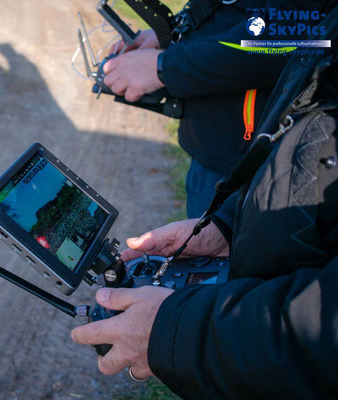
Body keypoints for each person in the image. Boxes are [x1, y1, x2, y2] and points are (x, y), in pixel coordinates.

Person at [71, 8, 338, 399]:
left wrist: (173, 332)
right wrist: (231, 224)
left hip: (239, 158)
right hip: (253, 192)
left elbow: (283, 31)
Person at [104, 0, 336, 223]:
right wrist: (177, 30)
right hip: (214, 144)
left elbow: (282, 35)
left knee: (221, 256)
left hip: (247, 162)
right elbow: (236, 9)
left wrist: (163, 67)